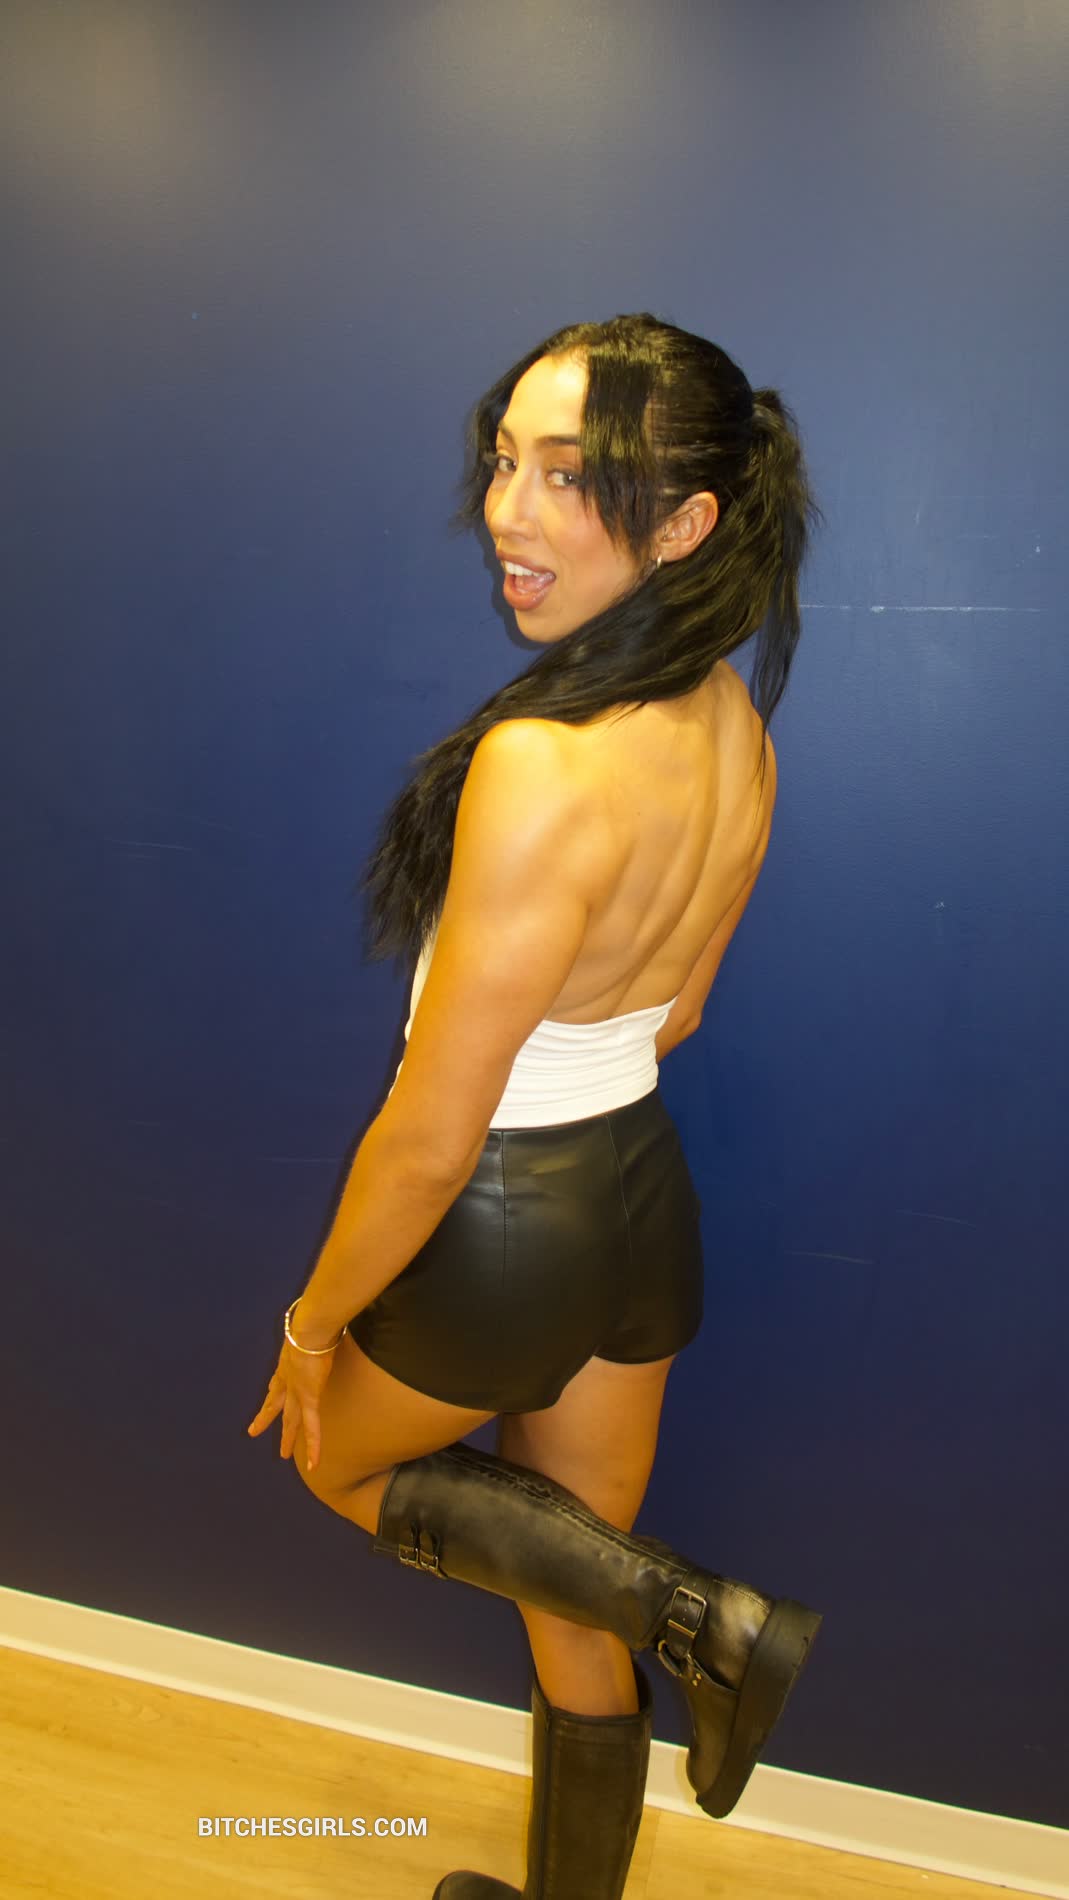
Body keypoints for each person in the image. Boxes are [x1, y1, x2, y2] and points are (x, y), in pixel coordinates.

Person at [248, 312, 825, 1899]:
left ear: (686, 522)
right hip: (640, 1198)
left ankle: (703, 1623)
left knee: (330, 1458)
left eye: (569, 475)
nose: (508, 509)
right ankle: (676, 1632)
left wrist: (311, 1327)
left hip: (508, 1210)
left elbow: (433, 1131)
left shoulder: (541, 761)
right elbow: (679, 1010)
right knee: (569, 1587)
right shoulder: (735, 726)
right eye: (505, 460)